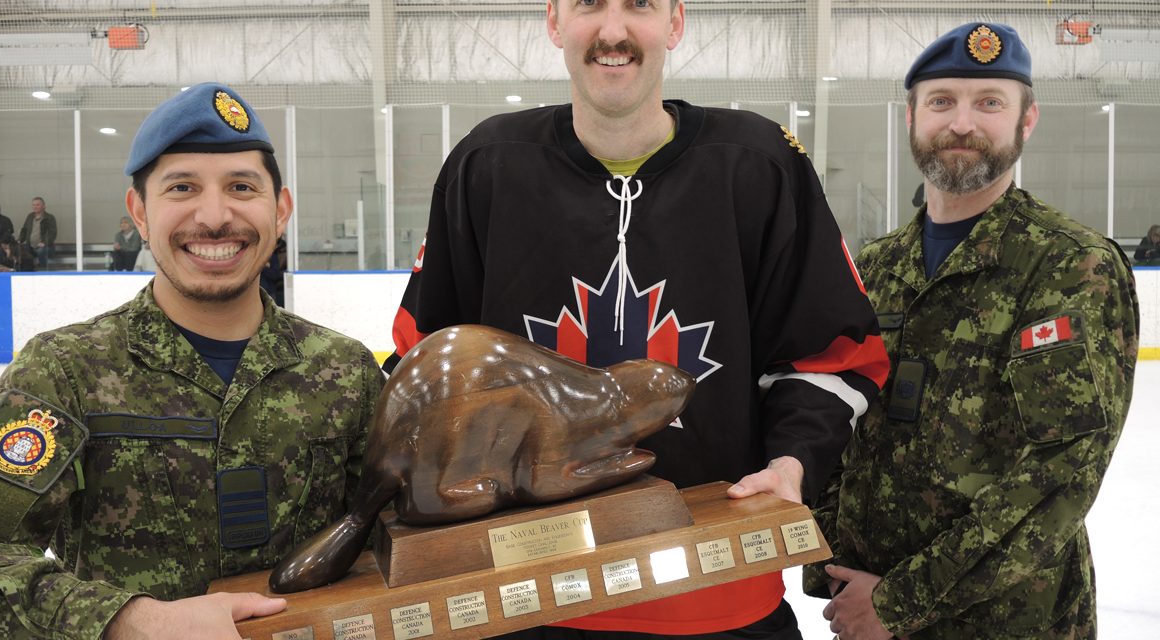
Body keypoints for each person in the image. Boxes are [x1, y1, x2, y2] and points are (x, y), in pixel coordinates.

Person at [386, 1, 889, 638]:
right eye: (589, 3)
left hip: (716, 599)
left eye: (640, 5)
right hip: (520, 601)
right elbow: (425, 362)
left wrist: (792, 462)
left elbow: (831, 353)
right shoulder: (485, 165)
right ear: (554, 20)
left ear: (676, 22)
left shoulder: (758, 165)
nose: (614, 30)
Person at [0, 82, 384, 639]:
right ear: (139, 211)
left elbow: (396, 532)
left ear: (280, 211)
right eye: (182, 187)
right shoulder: (67, 371)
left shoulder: (345, 372)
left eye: (241, 186)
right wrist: (132, 621)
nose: (213, 217)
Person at [805, 22, 1138, 640]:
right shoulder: (875, 267)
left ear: (1026, 120)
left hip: (1008, 623)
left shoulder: (1068, 264)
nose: (962, 123)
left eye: (989, 103)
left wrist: (899, 601)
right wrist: (831, 560)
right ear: (911, 117)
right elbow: (836, 420)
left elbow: (1060, 472)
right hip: (864, 612)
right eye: (941, 102)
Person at [19, 196, 58, 270]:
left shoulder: (50, 217)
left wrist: (44, 243)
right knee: (20, 250)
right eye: (33, 205)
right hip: (30, 247)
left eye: (37, 205)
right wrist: (19, 240)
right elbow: (24, 230)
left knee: (41, 251)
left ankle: (43, 269)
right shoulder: (30, 216)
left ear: (44, 206)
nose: (35, 207)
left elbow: (53, 233)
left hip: (46, 247)